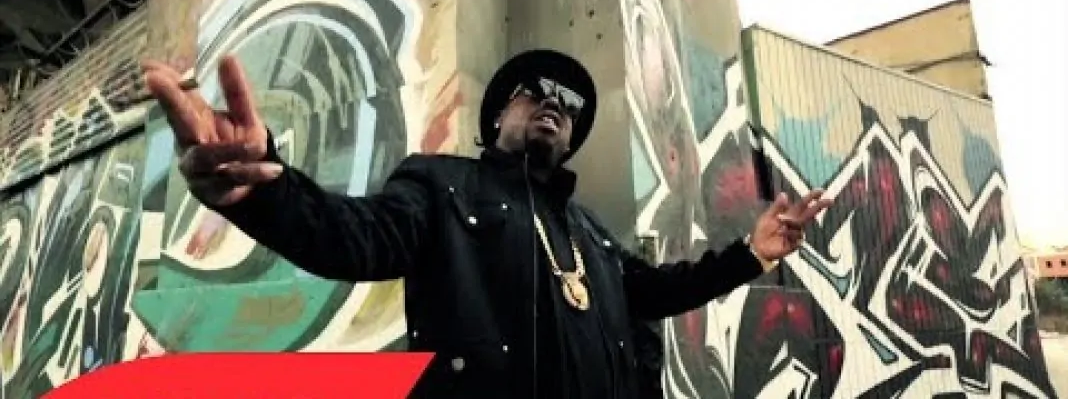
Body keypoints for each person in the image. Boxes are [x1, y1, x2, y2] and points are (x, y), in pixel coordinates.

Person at [142, 49, 831, 399]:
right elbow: (350, 237)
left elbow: (656, 290)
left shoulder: (589, 234)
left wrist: (750, 253)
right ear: (500, 114)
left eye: (569, 104)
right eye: (537, 93)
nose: (555, 104)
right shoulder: (441, 187)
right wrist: (260, 190)